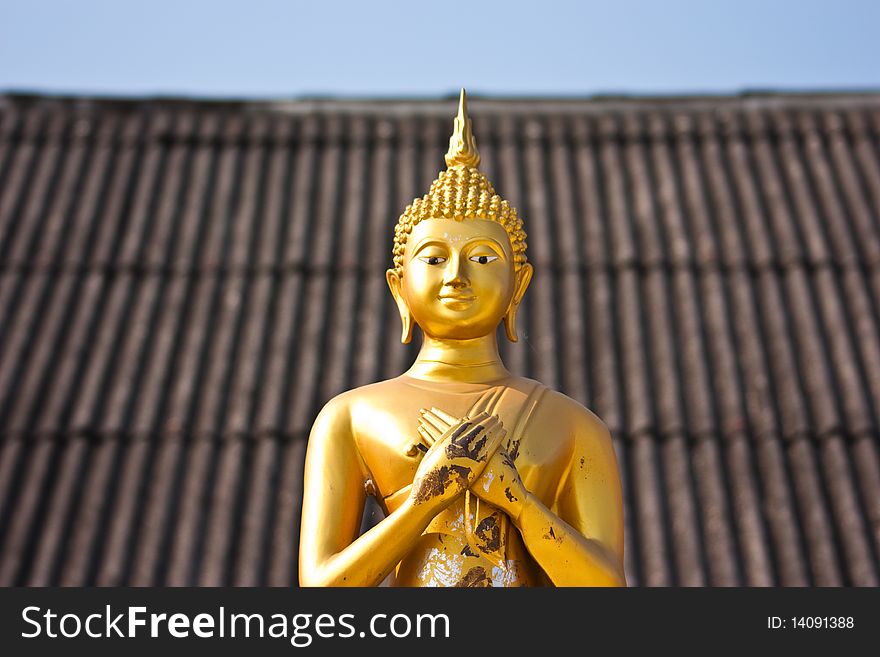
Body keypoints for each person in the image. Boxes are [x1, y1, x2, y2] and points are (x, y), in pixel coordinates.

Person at [298, 90, 625, 587]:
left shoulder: (574, 426)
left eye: (482, 258)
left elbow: (607, 590)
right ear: (398, 287)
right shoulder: (350, 417)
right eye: (432, 258)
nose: (456, 275)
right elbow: (321, 589)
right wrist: (426, 497)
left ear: (519, 284)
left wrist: (514, 499)